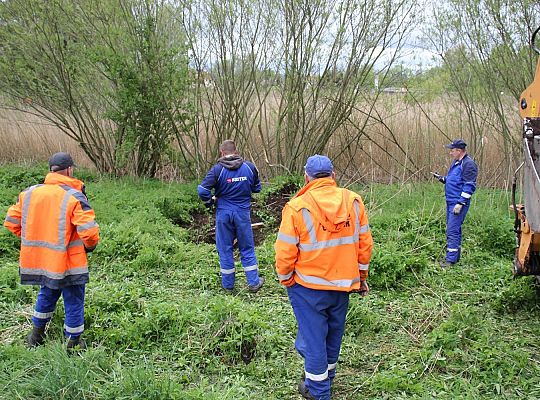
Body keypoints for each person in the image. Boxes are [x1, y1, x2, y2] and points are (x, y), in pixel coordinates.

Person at [274, 155, 373, 400]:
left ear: (306, 177)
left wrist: (286, 279)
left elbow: (285, 251)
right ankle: (326, 378)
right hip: (343, 284)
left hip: (308, 286)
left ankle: (318, 392)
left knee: (313, 339)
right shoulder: (354, 202)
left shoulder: (297, 206)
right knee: (332, 333)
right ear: (333, 175)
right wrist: (360, 277)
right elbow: (364, 245)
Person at [3, 152, 100, 350]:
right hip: (68, 262)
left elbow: (11, 222)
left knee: (46, 294)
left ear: (50, 170)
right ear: (70, 170)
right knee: (73, 300)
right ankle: (74, 344)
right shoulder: (74, 196)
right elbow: (89, 233)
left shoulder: (28, 193)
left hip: (44, 262)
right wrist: (89, 247)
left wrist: (35, 240)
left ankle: (35, 336)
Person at [198, 140, 265, 293]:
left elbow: (202, 190)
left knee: (225, 248)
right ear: (236, 151)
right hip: (242, 212)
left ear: (222, 152)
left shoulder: (217, 170)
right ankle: (254, 283)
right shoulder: (249, 167)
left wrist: (210, 202)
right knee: (247, 247)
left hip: (224, 213)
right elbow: (257, 188)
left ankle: (228, 285)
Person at [432, 139, 478, 268]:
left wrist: (461, 203)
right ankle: (454, 257)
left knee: (452, 230)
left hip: (457, 203)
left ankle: (450, 261)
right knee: (454, 230)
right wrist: (442, 178)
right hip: (450, 201)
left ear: (459, 151)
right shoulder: (457, 163)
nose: (450, 153)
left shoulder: (468, 164)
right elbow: (455, 180)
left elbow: (469, 185)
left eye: (452, 150)